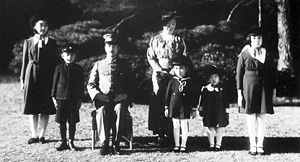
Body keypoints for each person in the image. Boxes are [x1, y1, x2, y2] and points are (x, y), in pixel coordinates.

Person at [87, 32, 134, 155]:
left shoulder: (125, 65)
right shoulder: (98, 65)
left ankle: (116, 142)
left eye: (114, 46)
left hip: (119, 99)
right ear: (105, 48)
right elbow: (91, 84)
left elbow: (132, 84)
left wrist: (125, 95)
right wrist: (98, 95)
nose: (111, 49)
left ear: (118, 48)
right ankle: (105, 142)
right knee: (102, 111)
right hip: (104, 99)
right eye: (109, 46)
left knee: (120, 109)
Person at [147, 11, 187, 144]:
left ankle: (172, 133)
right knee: (159, 100)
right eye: (168, 24)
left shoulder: (179, 41)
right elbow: (151, 57)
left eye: (173, 24)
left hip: (174, 74)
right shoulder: (155, 39)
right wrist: (159, 70)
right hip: (159, 74)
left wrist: (174, 71)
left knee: (173, 100)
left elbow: (184, 57)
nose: (171, 27)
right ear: (163, 25)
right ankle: (160, 133)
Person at [20, 15, 60, 144]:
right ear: (35, 27)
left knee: (45, 106)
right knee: (33, 106)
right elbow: (25, 61)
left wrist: (56, 79)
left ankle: (42, 135)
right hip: (31, 75)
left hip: (47, 76)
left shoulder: (52, 42)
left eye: (45, 25)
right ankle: (34, 135)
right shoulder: (29, 42)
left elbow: (55, 62)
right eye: (40, 25)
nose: (43, 28)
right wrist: (22, 79)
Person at [236, 27, 274, 155]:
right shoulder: (245, 53)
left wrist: (271, 91)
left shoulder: (266, 53)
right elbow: (239, 74)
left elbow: (271, 74)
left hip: (263, 89)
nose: (257, 41)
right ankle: (252, 145)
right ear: (250, 40)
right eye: (254, 38)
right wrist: (239, 93)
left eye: (259, 38)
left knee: (262, 117)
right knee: (251, 117)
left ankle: (260, 145)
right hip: (249, 88)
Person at [51, 43, 84, 151]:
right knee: (62, 121)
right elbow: (54, 84)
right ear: (62, 56)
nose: (69, 57)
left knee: (72, 121)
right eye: (67, 54)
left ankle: (71, 141)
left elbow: (80, 85)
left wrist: (80, 99)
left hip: (73, 99)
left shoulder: (78, 69)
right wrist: (53, 97)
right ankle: (63, 142)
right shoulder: (59, 68)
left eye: (72, 55)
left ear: (75, 56)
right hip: (61, 98)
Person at [165, 55, 198, 152]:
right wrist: (167, 107)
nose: (179, 71)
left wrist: (193, 109)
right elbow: (167, 95)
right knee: (175, 126)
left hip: (185, 107)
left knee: (184, 126)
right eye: (176, 68)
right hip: (174, 106)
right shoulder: (172, 81)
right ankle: (176, 144)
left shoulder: (190, 82)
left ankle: (183, 145)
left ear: (186, 69)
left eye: (181, 68)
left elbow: (193, 96)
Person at [198, 65, 229, 151]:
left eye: (216, 77)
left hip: (220, 112)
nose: (214, 79)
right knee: (210, 127)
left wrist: (227, 113)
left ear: (219, 78)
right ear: (208, 79)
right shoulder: (205, 89)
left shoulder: (222, 89)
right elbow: (202, 101)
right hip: (209, 112)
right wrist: (201, 110)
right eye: (211, 77)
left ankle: (218, 144)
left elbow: (226, 102)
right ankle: (211, 144)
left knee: (220, 128)